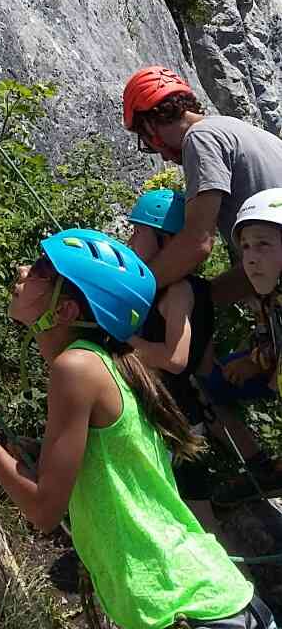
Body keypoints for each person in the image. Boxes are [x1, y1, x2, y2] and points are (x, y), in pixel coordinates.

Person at [0, 229, 274, 629]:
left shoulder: (76, 368)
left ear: (66, 310)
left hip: (183, 607)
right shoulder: (107, 363)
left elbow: (43, 511)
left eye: (41, 269)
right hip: (204, 601)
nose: (22, 270)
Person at [122, 66, 282, 293]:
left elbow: (197, 242)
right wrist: (204, 299)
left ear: (149, 126)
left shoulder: (200, 139)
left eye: (146, 143)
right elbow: (258, 264)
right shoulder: (237, 129)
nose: (163, 157)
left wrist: (136, 292)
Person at [124, 187, 218, 528]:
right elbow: (204, 363)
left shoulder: (177, 291)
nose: (131, 240)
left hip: (170, 416)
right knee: (197, 512)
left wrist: (126, 340)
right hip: (184, 412)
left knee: (175, 512)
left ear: (165, 239)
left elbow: (176, 358)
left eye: (139, 231)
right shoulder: (198, 288)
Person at [204, 190, 282, 506]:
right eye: (246, 246)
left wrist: (257, 362)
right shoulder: (270, 296)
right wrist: (255, 357)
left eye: (263, 244)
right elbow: (270, 334)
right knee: (212, 383)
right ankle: (264, 470)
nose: (250, 257)